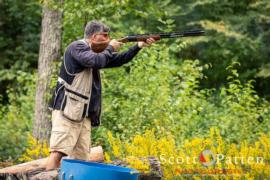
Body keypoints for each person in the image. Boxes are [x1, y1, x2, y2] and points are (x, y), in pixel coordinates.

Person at [46, 20, 156, 170]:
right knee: (58, 152)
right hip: (68, 109)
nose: (108, 38)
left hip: (83, 114)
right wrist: (110, 48)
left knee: (81, 159)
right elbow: (96, 61)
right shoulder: (77, 47)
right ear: (92, 36)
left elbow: (118, 60)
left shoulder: (94, 53)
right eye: (104, 35)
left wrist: (138, 46)